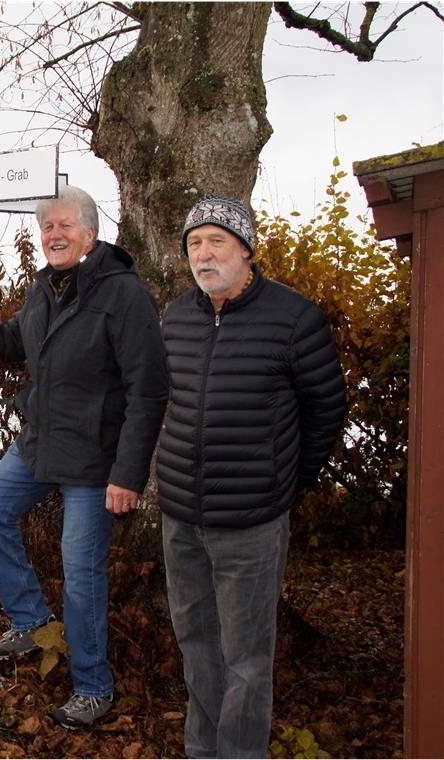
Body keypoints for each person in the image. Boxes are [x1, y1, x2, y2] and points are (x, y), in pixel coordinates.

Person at [0, 186, 168, 728]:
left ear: (90, 234)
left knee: (81, 574)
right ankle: (30, 619)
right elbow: (11, 344)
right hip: (42, 442)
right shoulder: (46, 288)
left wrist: (127, 474)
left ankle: (94, 686)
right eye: (47, 226)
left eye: (65, 225)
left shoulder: (122, 294)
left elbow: (148, 390)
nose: (54, 234)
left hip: (95, 459)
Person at [158, 195, 347, 758]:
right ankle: (202, 751)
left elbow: (327, 409)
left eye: (217, 241)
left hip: (251, 523)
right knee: (196, 645)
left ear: (245, 250)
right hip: (181, 516)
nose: (204, 254)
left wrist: (285, 479)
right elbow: (164, 401)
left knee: (245, 658)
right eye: (194, 243)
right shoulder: (176, 317)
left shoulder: (293, 317)